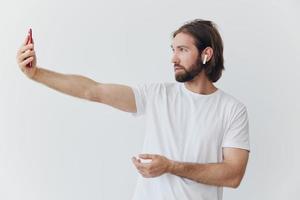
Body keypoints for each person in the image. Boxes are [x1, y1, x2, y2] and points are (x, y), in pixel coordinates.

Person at [16, 19, 250, 200]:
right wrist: (37, 74)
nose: (173, 58)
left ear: (206, 54)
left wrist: (170, 166)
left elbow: (233, 175)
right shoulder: (157, 95)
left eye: (182, 50)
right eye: (173, 49)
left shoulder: (232, 110)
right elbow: (93, 90)